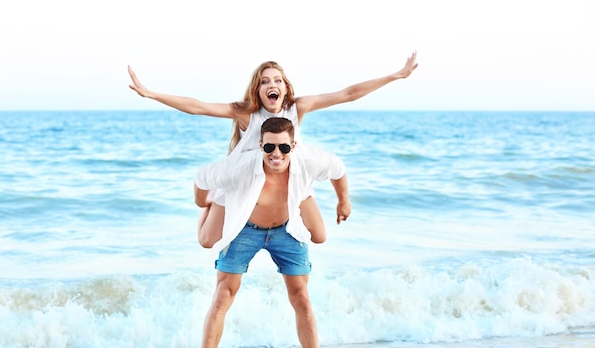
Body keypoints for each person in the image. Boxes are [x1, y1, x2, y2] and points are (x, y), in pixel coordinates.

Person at [128, 52, 418, 247]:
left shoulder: (297, 108)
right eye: (265, 81)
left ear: (286, 87)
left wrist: (394, 76)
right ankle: (209, 203)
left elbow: (347, 94)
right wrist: (151, 93)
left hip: (290, 179)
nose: (272, 84)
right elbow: (197, 107)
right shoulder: (246, 114)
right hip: (243, 182)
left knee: (319, 237)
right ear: (258, 90)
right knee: (206, 242)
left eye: (277, 80)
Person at [193, 117, 350, 348]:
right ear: (260, 145)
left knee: (301, 296)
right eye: (269, 148)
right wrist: (203, 202)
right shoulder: (239, 167)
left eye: (284, 148)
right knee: (223, 294)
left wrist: (343, 201)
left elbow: (339, 169)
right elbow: (201, 178)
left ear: (294, 146)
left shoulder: (309, 161)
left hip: (287, 229)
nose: (276, 154)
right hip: (245, 228)